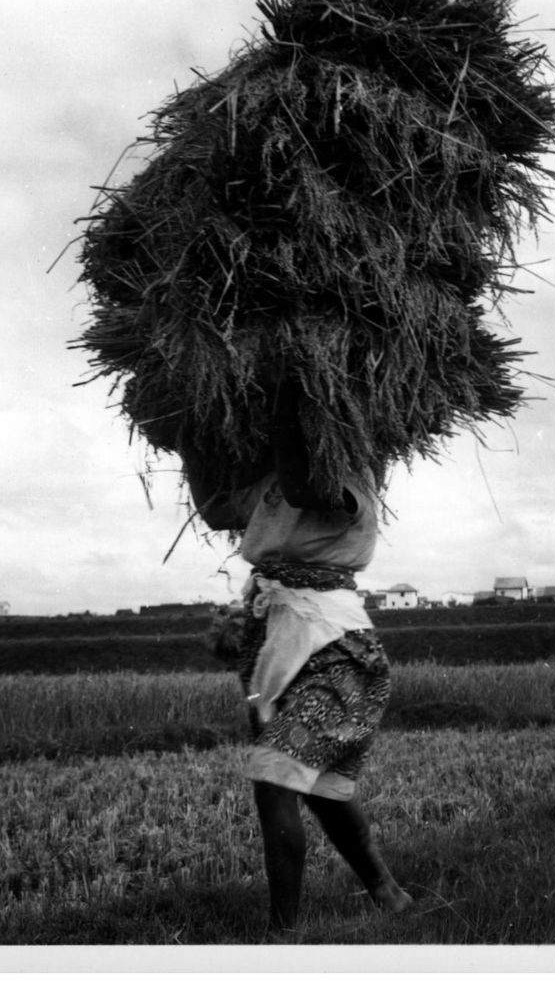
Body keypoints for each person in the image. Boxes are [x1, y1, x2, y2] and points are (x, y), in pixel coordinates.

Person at [185, 376, 413, 935]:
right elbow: (216, 512)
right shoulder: (270, 485)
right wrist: (186, 433)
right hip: (274, 643)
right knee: (316, 785)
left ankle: (282, 933)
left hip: (335, 651)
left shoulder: (350, 486)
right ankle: (388, 891)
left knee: (276, 778)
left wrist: (289, 401)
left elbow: (303, 481)